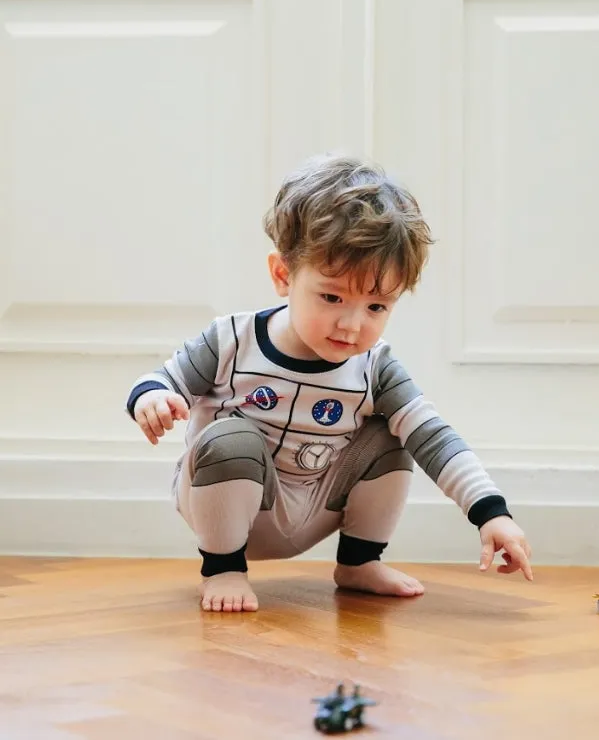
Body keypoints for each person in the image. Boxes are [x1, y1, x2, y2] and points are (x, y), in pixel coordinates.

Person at [125, 153, 533, 613]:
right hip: (229, 503)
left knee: (393, 432)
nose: (352, 324)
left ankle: (359, 562)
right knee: (232, 436)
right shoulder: (231, 341)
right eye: (332, 297)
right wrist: (155, 398)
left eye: (377, 307)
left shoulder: (373, 367)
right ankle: (222, 568)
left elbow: (434, 435)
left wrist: (491, 513)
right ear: (283, 275)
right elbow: (161, 378)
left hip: (315, 503)